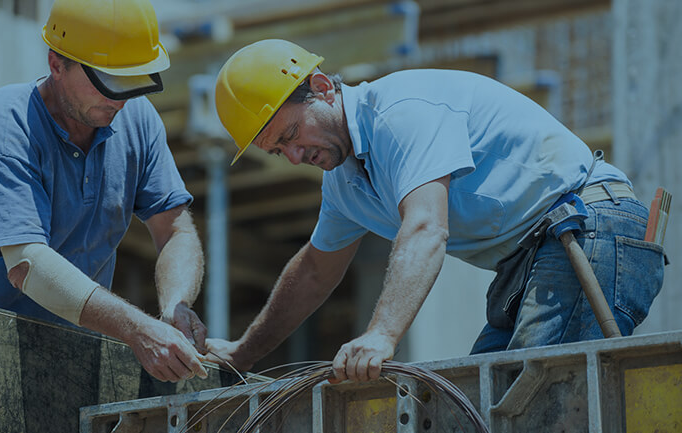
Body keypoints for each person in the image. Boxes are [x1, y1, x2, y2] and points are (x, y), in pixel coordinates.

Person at [205, 39, 665, 382]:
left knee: (533, 398)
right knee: (477, 402)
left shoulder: (401, 112)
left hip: (591, 228)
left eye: (290, 135)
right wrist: (244, 354)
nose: (292, 156)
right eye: (276, 151)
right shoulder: (345, 183)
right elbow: (313, 273)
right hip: (538, 257)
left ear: (323, 88)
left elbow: (426, 228)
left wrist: (381, 335)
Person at [0, 0, 208, 383]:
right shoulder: (6, 124)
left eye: (132, 81)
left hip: (73, 362)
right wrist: (139, 329)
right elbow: (27, 265)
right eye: (107, 81)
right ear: (56, 65)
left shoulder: (138, 120)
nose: (119, 98)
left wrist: (174, 307)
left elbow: (175, 229)